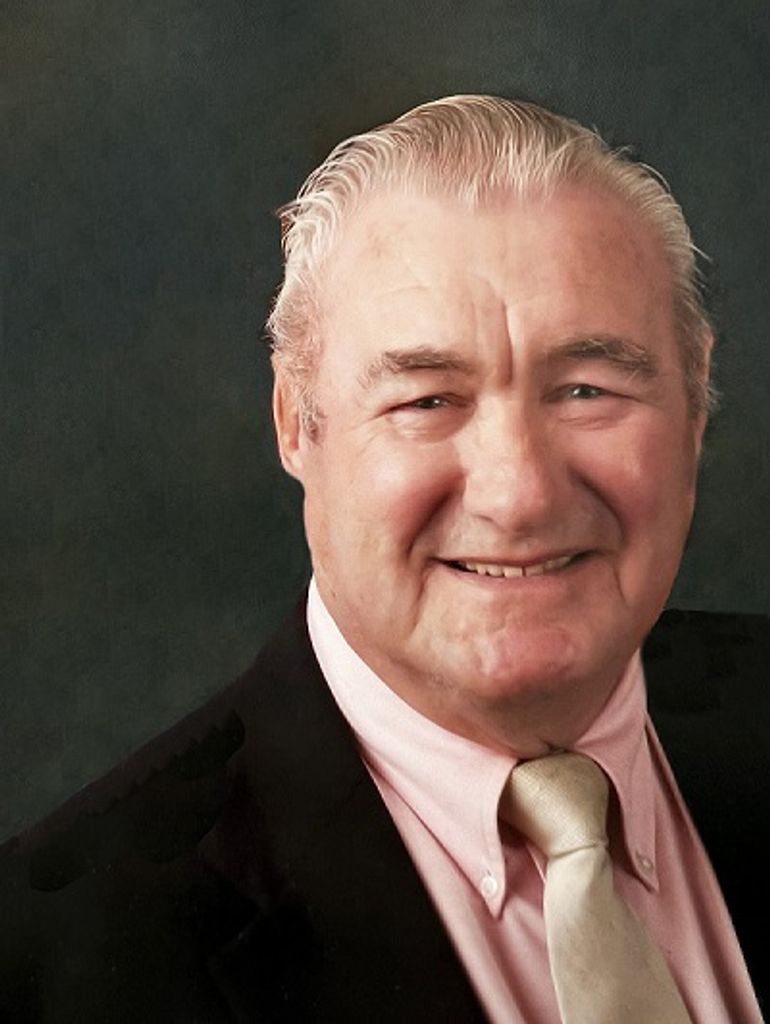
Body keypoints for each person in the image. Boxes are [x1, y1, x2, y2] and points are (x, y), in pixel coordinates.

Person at [0, 96, 766, 1023]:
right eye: (427, 401)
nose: (519, 492)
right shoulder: (53, 966)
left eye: (586, 389)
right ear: (296, 422)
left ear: (695, 400)